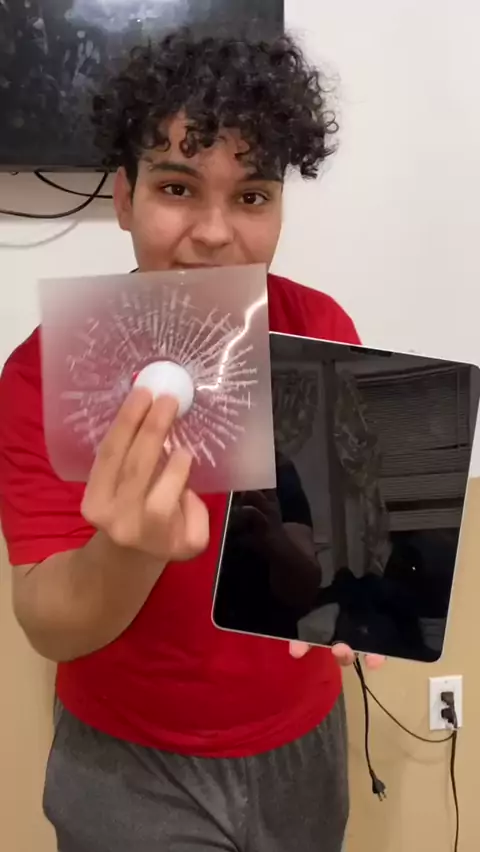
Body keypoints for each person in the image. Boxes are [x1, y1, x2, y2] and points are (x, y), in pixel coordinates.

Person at [0, 29, 383, 852]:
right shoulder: (47, 370)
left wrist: (362, 595)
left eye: (252, 196)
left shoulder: (319, 327)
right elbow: (47, 625)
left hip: (302, 741)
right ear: (124, 198)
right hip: (128, 763)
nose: (214, 233)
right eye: (177, 187)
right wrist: (130, 550)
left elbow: (344, 536)